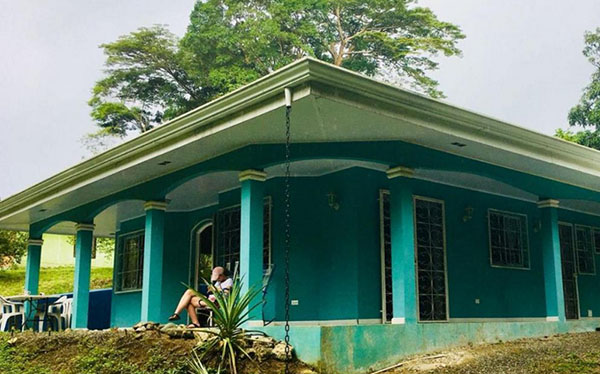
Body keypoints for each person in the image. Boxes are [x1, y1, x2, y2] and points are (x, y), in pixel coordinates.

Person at [168, 266, 233, 328]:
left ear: (222, 275)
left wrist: (215, 289)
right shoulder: (218, 282)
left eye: (218, 278)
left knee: (190, 292)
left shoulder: (229, 281)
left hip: (217, 302)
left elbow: (226, 292)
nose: (217, 280)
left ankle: (177, 314)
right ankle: (195, 323)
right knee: (188, 300)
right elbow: (210, 291)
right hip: (210, 299)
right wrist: (211, 289)